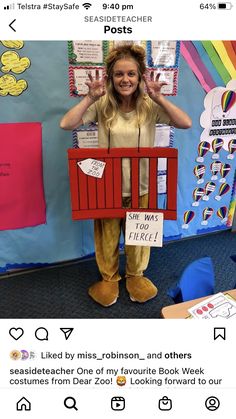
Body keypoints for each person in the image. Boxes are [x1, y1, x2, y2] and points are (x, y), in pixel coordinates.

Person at [60, 43, 192, 307]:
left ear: (140, 76)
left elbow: (185, 122)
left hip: (142, 187)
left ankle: (135, 275)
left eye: (131, 73)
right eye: (119, 74)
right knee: (107, 237)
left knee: (139, 238)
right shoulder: (102, 104)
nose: (125, 79)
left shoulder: (149, 106)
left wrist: (159, 98)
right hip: (107, 188)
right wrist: (90, 98)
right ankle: (109, 278)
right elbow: (66, 124)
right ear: (111, 77)